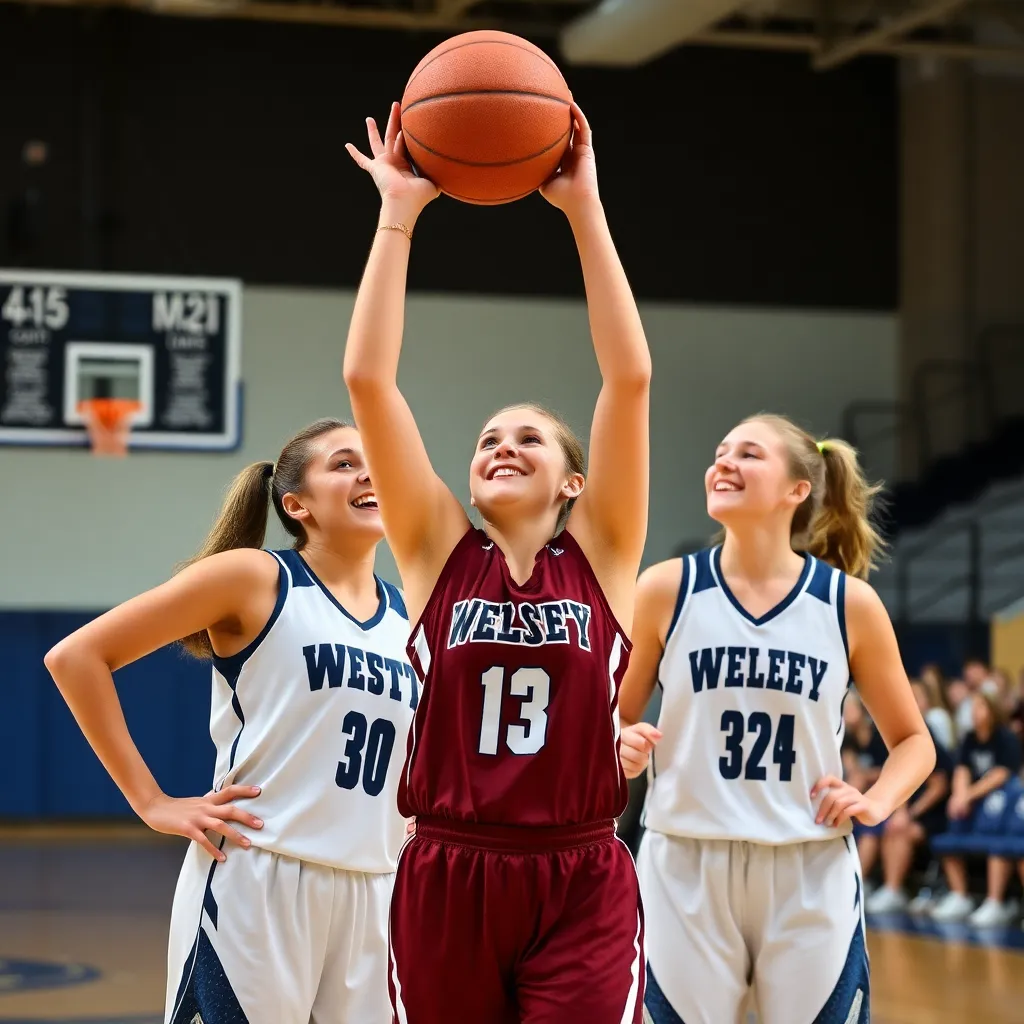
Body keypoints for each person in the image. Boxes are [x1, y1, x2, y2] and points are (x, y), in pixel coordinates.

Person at [343, 101, 651, 1024]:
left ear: (573, 482)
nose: (501, 446)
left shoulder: (602, 555)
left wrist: (582, 211)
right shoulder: (438, 551)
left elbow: (628, 378)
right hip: (446, 866)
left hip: (581, 868)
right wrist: (397, 213)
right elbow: (369, 381)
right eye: (487, 438)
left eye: (528, 439)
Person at [44, 419, 415, 1024]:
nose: (368, 472)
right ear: (297, 504)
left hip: (378, 887)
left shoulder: (410, 614)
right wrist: (152, 801)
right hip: (258, 876)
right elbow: (76, 656)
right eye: (345, 463)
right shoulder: (254, 577)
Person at [617, 414, 935, 1024]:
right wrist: (619, 741)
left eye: (749, 454)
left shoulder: (848, 603)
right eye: (720, 451)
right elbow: (612, 714)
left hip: (808, 864)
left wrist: (876, 802)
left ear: (797, 490)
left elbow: (914, 741)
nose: (724, 463)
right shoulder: (666, 588)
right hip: (684, 862)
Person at [929, 689, 1023, 925]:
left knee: (1001, 844)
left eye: (979, 707)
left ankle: (996, 901)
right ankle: (960, 896)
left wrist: (968, 795)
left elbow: (1001, 774)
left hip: (1000, 805)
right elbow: (962, 770)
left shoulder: (1006, 738)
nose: (974, 712)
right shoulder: (970, 738)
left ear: (992, 710)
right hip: (974, 806)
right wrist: (959, 795)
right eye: (972, 708)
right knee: (949, 835)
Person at [864, 680, 954, 914]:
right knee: (891, 828)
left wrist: (911, 813)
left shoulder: (927, 735)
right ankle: (887, 887)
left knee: (902, 831)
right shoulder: (895, 734)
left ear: (925, 703)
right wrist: (900, 811)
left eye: (916, 697)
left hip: (931, 814)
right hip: (907, 811)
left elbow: (939, 786)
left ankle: (893, 889)